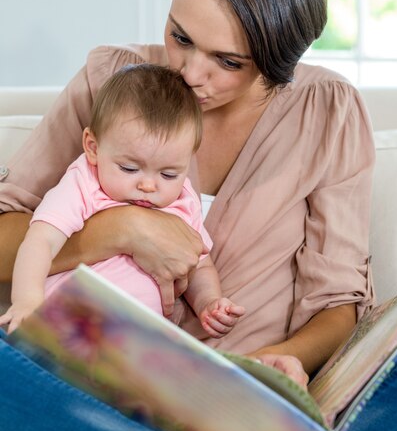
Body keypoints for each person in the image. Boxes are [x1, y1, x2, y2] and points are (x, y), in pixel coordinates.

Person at [1, 0, 397, 431]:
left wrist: (285, 360)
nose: (191, 73)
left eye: (228, 61)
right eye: (180, 37)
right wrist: (119, 229)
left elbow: (336, 301)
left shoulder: (326, 112)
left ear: (279, 60)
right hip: (95, 391)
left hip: (240, 403)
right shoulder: (111, 82)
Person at [0, 63, 244, 337]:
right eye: (129, 169)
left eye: (168, 173)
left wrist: (208, 303)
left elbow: (199, 263)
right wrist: (28, 301)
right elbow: (40, 241)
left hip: (130, 343)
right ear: (93, 148)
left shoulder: (183, 200)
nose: (148, 185)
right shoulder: (85, 183)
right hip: (63, 324)